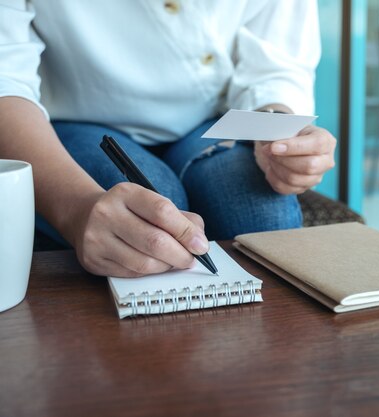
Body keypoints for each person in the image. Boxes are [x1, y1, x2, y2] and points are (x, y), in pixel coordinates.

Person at [0, 1, 336, 278]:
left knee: (264, 218)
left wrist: (274, 129)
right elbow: (6, 79)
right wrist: (75, 210)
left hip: (212, 122)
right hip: (82, 119)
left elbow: (274, 65)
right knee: (150, 222)